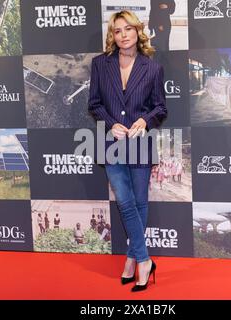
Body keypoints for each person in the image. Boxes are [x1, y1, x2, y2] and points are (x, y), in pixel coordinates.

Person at [88, 10, 167, 291]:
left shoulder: (153, 68)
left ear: (137, 31)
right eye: (117, 30)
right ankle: (144, 259)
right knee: (124, 201)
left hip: (140, 142)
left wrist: (145, 120)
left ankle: (132, 259)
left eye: (128, 29)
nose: (123, 35)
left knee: (140, 202)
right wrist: (111, 124)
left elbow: (160, 107)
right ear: (113, 35)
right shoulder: (100, 64)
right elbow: (94, 103)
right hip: (111, 143)